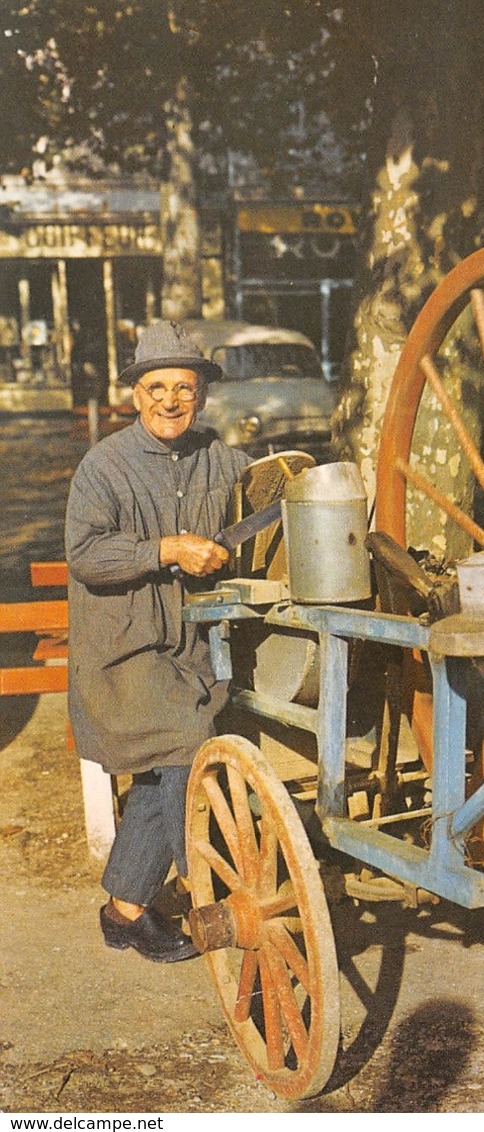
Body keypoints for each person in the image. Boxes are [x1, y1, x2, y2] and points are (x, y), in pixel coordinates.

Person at [65, 320, 250, 962]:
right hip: (121, 652)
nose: (170, 401)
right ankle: (211, 891)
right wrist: (166, 549)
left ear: (200, 395)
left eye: (184, 387)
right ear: (136, 395)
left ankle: (124, 910)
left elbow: (272, 492)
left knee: (167, 766)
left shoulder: (218, 457)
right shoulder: (104, 465)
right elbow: (85, 553)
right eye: (156, 388)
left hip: (189, 650)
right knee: (185, 742)